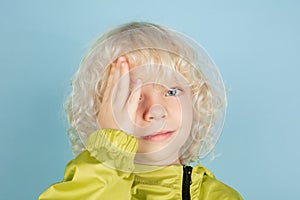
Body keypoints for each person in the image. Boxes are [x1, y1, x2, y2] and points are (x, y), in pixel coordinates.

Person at [39, 22, 243, 200]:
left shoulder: (219, 197)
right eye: (131, 95)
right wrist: (110, 150)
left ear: (195, 101)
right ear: (100, 112)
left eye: (171, 91)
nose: (155, 112)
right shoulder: (82, 188)